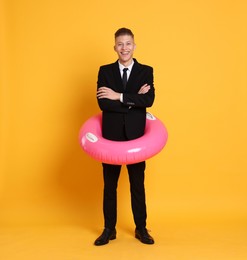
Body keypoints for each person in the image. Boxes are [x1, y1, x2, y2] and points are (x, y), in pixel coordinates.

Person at [94, 28, 155, 246]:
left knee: (137, 185)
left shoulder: (146, 71)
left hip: (137, 139)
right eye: (120, 44)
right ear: (114, 47)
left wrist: (118, 96)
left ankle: (141, 228)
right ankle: (108, 229)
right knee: (109, 186)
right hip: (111, 139)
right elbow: (103, 103)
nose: (124, 48)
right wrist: (132, 100)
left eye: (128, 43)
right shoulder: (105, 71)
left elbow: (148, 100)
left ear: (134, 46)